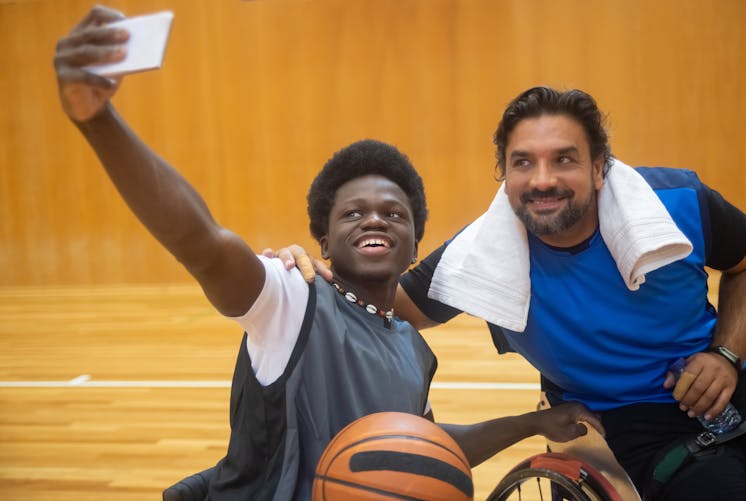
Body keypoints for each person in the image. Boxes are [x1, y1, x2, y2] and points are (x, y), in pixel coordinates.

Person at [54, 7, 605, 500]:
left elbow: (418, 446)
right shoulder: (293, 299)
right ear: (322, 239)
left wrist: (532, 425)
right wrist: (97, 120)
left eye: (394, 214)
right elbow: (200, 242)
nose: (373, 218)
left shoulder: (412, 348)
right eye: (352, 212)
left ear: (415, 242)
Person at [281, 86, 746, 500]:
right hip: (625, 423)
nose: (542, 179)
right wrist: (299, 272)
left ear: (600, 167)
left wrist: (725, 353)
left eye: (563, 159)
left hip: (729, 375)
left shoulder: (677, 201)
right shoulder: (479, 256)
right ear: (504, 174)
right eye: (523, 162)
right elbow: (382, 303)